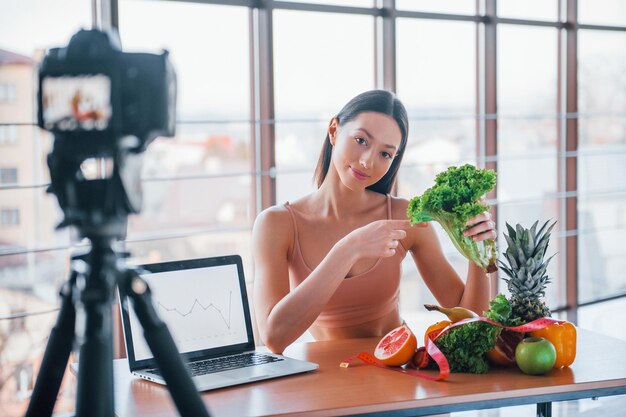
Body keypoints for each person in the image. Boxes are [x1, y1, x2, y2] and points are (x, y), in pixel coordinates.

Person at [252, 90, 496, 354]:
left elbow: (472, 323)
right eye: (361, 140)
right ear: (334, 130)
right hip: (322, 383)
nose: (367, 161)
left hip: (397, 373)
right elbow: (274, 337)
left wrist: (478, 250)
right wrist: (349, 248)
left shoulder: (404, 217)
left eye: (385, 154)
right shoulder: (277, 224)